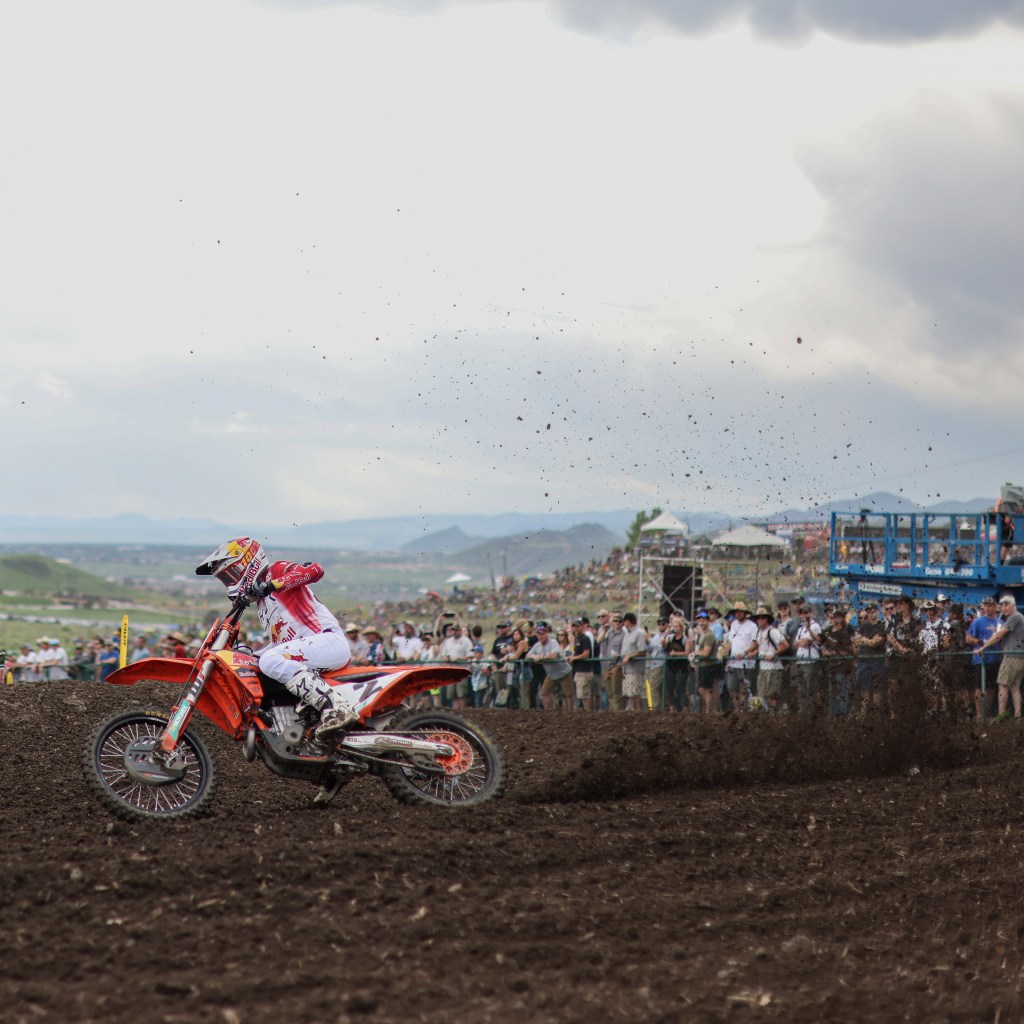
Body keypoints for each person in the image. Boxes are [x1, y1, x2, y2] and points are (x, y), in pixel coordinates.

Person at [195, 537, 355, 743]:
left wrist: (272, 585)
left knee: (270, 660)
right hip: (310, 650)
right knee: (249, 662)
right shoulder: (262, 605)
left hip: (327, 641)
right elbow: (282, 643)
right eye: (225, 579)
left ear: (247, 564)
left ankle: (336, 708)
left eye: (230, 575)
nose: (229, 583)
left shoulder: (276, 571)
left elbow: (315, 570)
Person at [974, 594, 1024, 720]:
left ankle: (1001, 715)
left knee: (1002, 684)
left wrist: (982, 648)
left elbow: (999, 635)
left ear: (1014, 606)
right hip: (1019, 656)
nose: (1004, 607)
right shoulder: (1018, 618)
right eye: (1002, 605)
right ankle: (1017, 716)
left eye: (1007, 604)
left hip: (1012, 656)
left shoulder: (1014, 617)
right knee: (1014, 687)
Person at [619, 612, 648, 711]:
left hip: (635, 668)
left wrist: (630, 655)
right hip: (626, 669)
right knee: (629, 692)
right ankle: (632, 710)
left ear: (628, 621)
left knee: (636, 691)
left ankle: (638, 711)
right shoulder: (627, 634)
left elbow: (642, 651)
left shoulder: (639, 633)